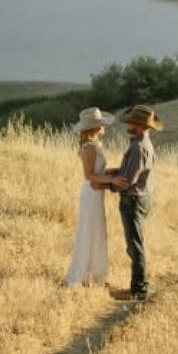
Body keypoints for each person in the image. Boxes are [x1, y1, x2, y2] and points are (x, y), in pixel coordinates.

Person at [63, 107, 126, 287]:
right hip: (91, 194)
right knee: (89, 230)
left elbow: (98, 171)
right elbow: (89, 175)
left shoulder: (95, 144)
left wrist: (114, 171)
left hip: (97, 194)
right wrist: (112, 179)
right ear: (96, 127)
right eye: (101, 124)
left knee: (97, 230)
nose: (104, 126)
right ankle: (82, 273)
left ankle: (95, 274)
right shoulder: (89, 147)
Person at [108, 104, 164, 301]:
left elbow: (128, 180)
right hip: (140, 197)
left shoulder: (138, 148)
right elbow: (128, 172)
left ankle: (139, 291)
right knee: (134, 244)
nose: (128, 125)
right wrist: (112, 173)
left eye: (131, 122)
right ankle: (136, 288)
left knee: (135, 246)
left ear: (140, 126)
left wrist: (107, 184)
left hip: (133, 199)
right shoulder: (141, 144)